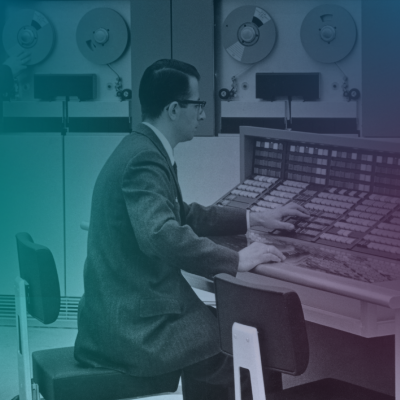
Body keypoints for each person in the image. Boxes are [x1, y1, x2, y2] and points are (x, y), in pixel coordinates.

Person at [74, 59, 308, 400]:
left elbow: (182, 214)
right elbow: (160, 233)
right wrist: (235, 260)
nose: (202, 113)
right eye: (197, 104)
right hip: (136, 330)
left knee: (236, 331)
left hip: (120, 315)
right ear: (173, 109)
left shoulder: (141, 147)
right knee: (247, 341)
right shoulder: (144, 158)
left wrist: (255, 218)